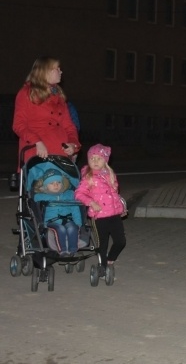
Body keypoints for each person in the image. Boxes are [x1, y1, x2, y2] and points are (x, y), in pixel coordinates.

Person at [13, 56, 80, 165]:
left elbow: (69, 126)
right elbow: (19, 125)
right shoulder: (27, 93)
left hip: (60, 153)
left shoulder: (59, 97)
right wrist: (37, 142)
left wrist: (73, 144)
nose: (61, 71)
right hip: (37, 152)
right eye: (57, 69)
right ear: (45, 71)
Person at [75, 144, 126, 276]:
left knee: (120, 241)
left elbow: (115, 195)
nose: (95, 161)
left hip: (114, 215)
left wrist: (121, 207)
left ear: (105, 160)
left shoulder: (110, 174)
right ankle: (102, 268)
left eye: (99, 158)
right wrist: (90, 202)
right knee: (102, 244)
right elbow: (79, 194)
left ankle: (110, 259)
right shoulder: (88, 177)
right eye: (92, 159)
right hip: (98, 217)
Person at [34, 168, 82, 255]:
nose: (56, 185)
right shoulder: (42, 196)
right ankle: (62, 250)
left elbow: (75, 208)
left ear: (63, 183)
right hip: (51, 221)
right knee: (61, 229)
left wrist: (78, 222)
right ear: (45, 186)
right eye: (52, 183)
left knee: (73, 228)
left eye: (58, 182)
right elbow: (35, 199)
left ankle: (73, 250)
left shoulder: (69, 194)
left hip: (67, 219)